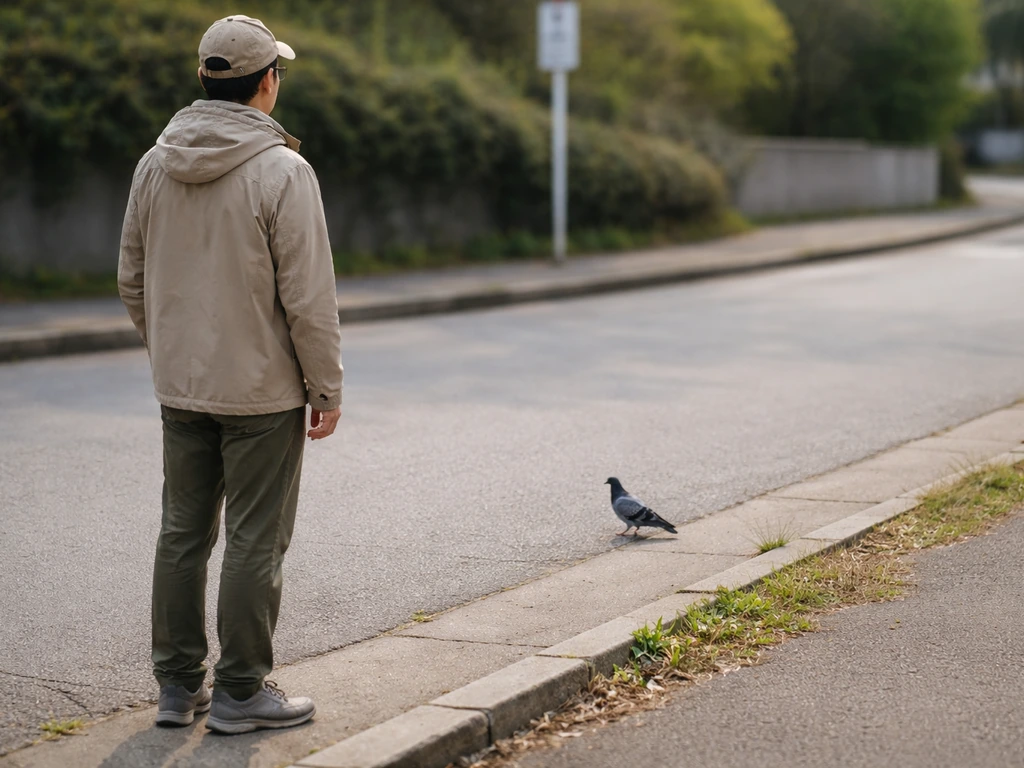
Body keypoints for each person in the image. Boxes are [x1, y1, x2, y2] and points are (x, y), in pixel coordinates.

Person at [117, 14, 343, 734]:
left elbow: (132, 278)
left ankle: (178, 689)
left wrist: (174, 352)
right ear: (266, 83)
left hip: (181, 386)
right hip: (262, 393)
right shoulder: (283, 171)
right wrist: (326, 388)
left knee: (181, 531)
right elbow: (309, 300)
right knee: (254, 537)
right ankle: (243, 690)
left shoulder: (155, 163)